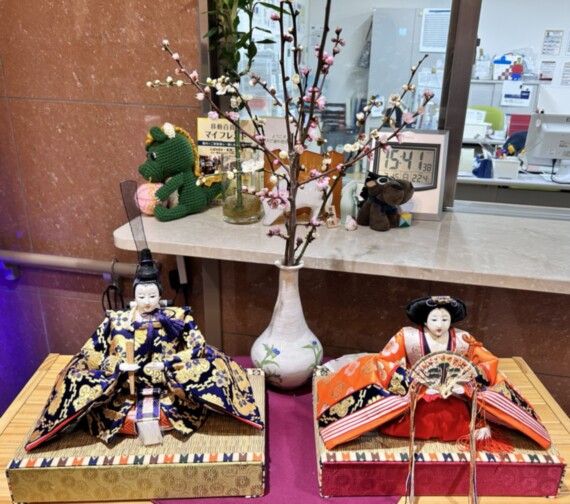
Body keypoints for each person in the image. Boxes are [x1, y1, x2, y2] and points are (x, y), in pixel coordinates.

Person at [26, 249, 263, 450]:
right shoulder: (116, 320)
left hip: (170, 388)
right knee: (77, 378)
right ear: (134, 295)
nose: (147, 301)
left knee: (212, 367)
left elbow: (198, 346)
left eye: (152, 295)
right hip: (123, 388)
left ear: (160, 294)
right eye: (142, 295)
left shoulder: (178, 316)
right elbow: (89, 351)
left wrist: (170, 362)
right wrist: (117, 365)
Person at [316, 295, 551, 451]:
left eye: (445, 319)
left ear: (452, 320)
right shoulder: (407, 336)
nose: (440, 324)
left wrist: (465, 381)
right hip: (418, 394)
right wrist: (410, 381)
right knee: (390, 409)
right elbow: (385, 361)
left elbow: (487, 362)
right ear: (424, 320)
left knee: (462, 417)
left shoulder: (463, 339)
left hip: (454, 394)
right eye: (435, 319)